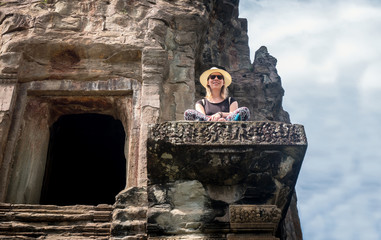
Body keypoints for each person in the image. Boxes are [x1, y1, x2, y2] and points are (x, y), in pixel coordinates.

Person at [184, 67, 250, 121]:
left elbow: (233, 114)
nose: (216, 79)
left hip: (227, 125)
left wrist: (220, 115)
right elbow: (201, 118)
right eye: (212, 77)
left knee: (244, 110)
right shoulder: (201, 103)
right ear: (208, 82)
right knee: (188, 112)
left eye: (219, 77)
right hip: (207, 126)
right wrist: (213, 119)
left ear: (223, 82)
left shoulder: (231, 101)